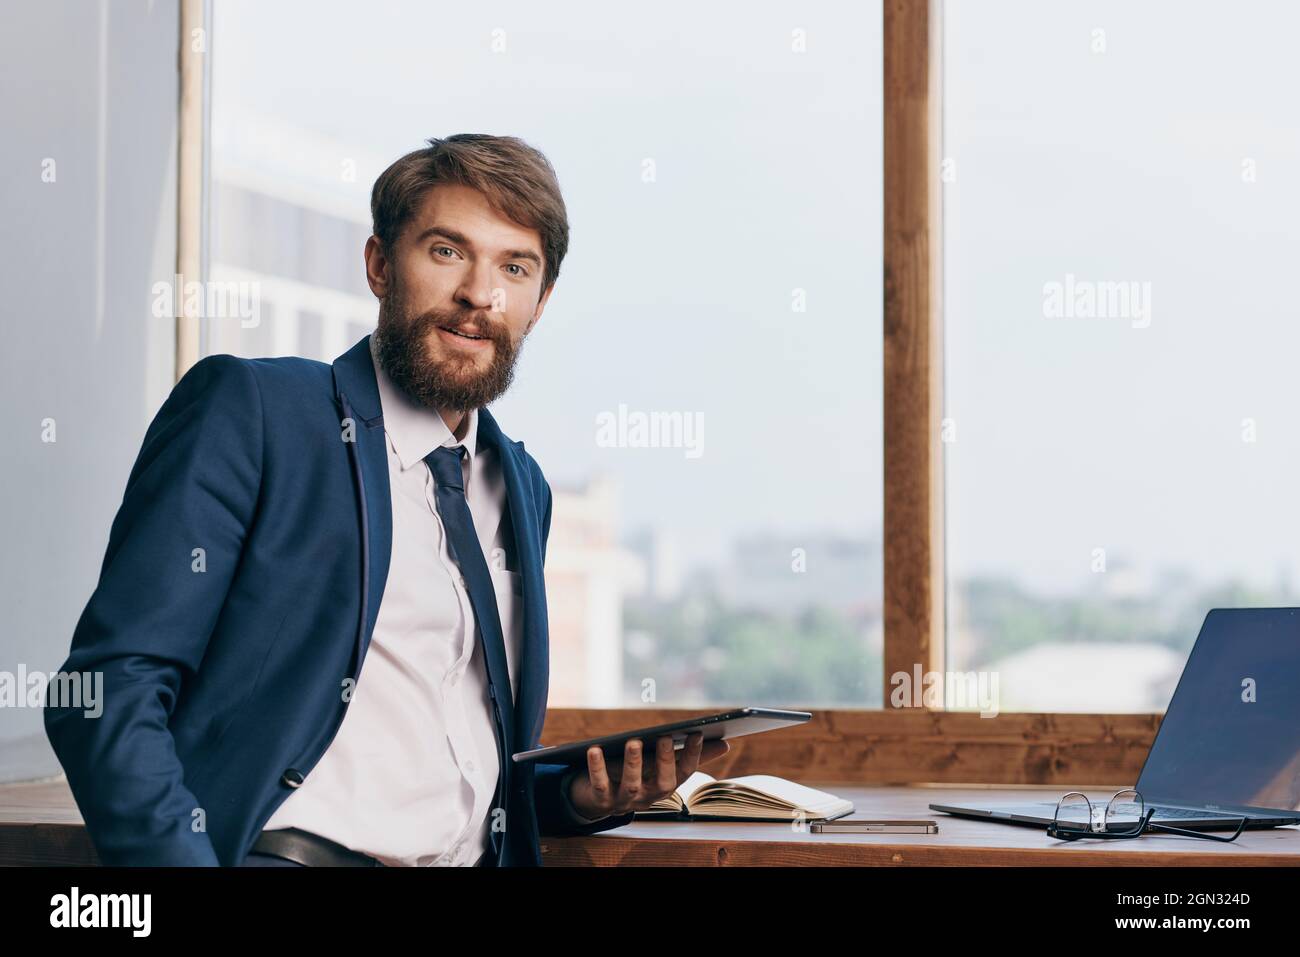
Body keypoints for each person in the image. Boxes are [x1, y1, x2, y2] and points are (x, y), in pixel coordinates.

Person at [44, 134, 728, 867]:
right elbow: (104, 691)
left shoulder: (521, 486)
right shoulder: (256, 412)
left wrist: (580, 795)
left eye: (514, 266)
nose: (478, 292)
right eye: (446, 251)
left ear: (539, 303)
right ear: (378, 264)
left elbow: (448, 754)